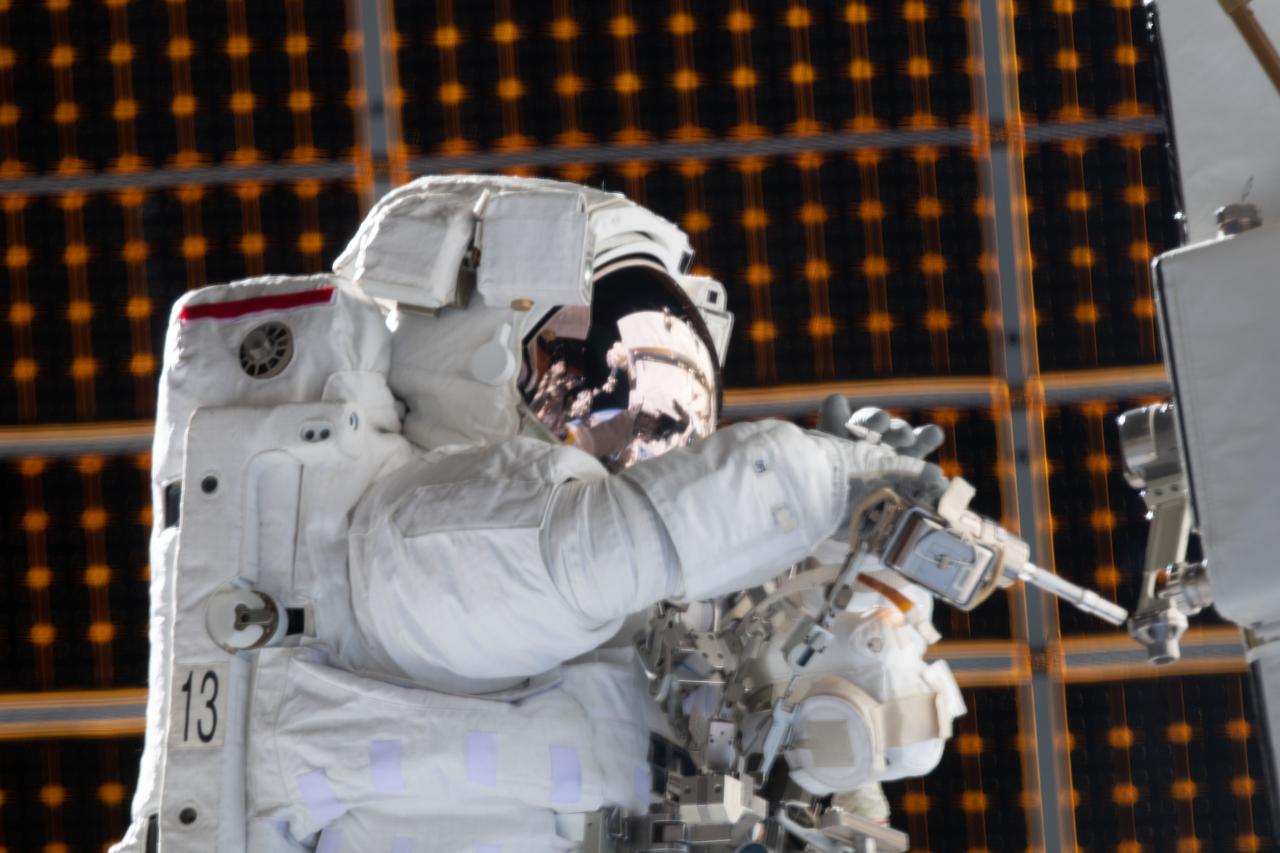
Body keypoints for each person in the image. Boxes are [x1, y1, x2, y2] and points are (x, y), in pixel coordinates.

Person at [112, 176, 958, 853]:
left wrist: (855, 640)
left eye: (676, 408)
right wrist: (824, 482)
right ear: (476, 366)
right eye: (605, 389)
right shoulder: (405, 545)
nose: (652, 434)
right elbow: (593, 546)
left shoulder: (629, 669)